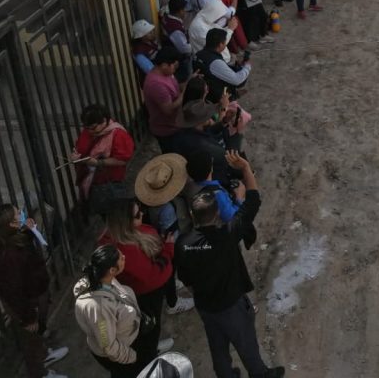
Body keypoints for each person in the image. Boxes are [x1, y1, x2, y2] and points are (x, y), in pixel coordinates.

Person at [175, 152, 285, 378]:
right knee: (246, 342)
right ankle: (260, 374)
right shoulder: (226, 235)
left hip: (205, 305)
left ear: (193, 215)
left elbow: (185, 278)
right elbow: (252, 201)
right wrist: (245, 169)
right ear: (217, 214)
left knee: (217, 345)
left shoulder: (183, 243)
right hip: (230, 304)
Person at [0, 204, 69, 378]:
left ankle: (44, 356)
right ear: (11, 224)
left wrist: (29, 232)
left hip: (35, 295)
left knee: (37, 333)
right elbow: (13, 291)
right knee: (31, 342)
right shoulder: (7, 256)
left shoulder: (13, 239)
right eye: (18, 214)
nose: (22, 214)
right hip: (27, 303)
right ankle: (40, 373)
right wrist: (27, 317)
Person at [98, 198, 190, 358]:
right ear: (124, 222)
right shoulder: (123, 250)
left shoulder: (119, 235)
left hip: (134, 292)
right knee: (150, 324)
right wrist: (168, 250)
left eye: (140, 210)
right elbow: (151, 277)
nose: (141, 214)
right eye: (137, 215)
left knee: (144, 323)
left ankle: (150, 346)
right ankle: (150, 351)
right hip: (144, 293)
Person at [74, 245, 155, 377]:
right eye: (121, 258)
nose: (124, 257)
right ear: (112, 270)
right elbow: (108, 346)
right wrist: (131, 357)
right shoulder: (99, 309)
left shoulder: (102, 278)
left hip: (127, 340)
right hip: (121, 355)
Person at [72, 104, 135, 213]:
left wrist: (98, 162)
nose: (90, 131)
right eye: (87, 128)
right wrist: (76, 155)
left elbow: (122, 160)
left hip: (111, 184)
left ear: (104, 121)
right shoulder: (88, 132)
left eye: (93, 128)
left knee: (115, 214)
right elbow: (80, 147)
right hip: (91, 183)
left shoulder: (118, 134)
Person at [172, 96, 238, 186]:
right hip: (217, 175)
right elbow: (226, 156)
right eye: (207, 116)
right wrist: (237, 133)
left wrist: (224, 121)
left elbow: (209, 132)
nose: (210, 117)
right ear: (201, 121)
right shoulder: (201, 143)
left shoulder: (188, 131)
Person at [142, 47, 190, 154]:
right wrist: (185, 93)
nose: (175, 69)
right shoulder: (156, 85)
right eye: (173, 66)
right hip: (168, 131)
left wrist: (190, 83)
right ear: (164, 65)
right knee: (176, 158)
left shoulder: (166, 74)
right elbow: (168, 110)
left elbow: (176, 88)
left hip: (177, 125)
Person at [185, 150, 245, 224]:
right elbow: (233, 218)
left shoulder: (189, 185)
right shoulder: (218, 196)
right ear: (211, 169)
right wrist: (239, 198)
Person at [195, 28, 251, 103]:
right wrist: (247, 67)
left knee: (234, 68)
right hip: (216, 96)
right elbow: (236, 80)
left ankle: (234, 93)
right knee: (240, 75)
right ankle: (231, 96)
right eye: (225, 42)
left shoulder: (199, 53)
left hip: (206, 89)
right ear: (220, 44)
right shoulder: (215, 62)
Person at [130, 20, 159, 84]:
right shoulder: (139, 52)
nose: (152, 33)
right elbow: (150, 70)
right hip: (153, 81)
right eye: (149, 32)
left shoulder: (151, 42)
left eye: (151, 31)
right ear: (141, 36)